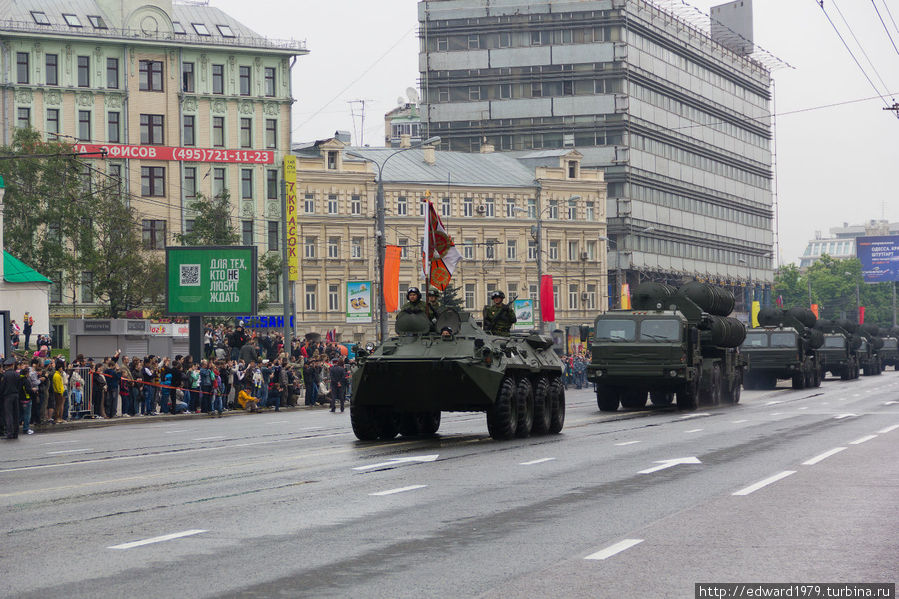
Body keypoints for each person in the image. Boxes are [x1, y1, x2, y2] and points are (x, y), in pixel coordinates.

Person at [2, 357, 21, 439]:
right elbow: (19, 386)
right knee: (16, 414)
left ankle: (9, 432)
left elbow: (2, 387)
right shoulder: (17, 374)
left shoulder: (5, 375)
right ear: (12, 365)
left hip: (7, 396)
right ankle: (16, 433)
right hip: (16, 395)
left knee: (9, 414)